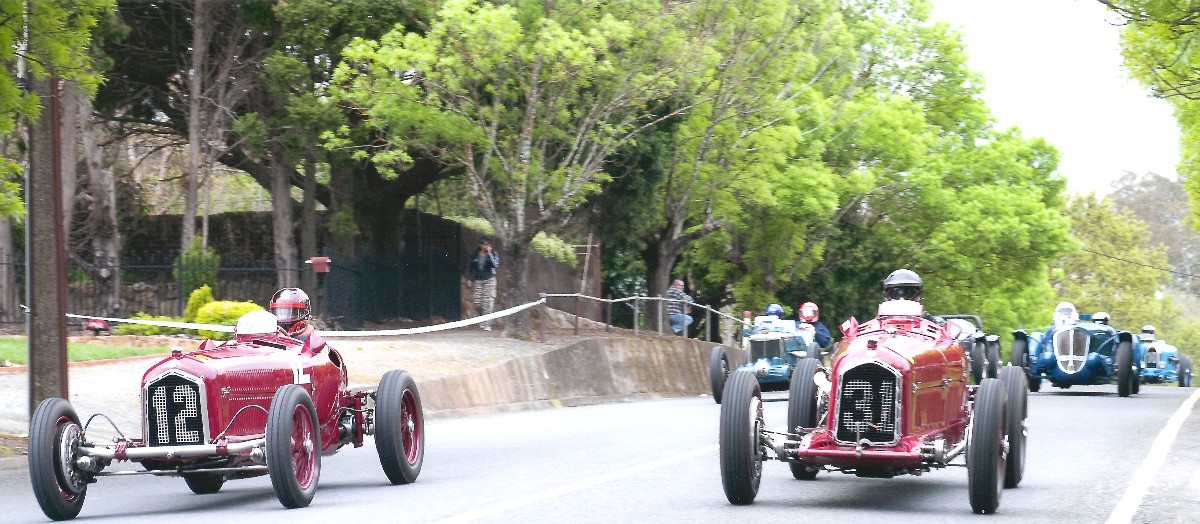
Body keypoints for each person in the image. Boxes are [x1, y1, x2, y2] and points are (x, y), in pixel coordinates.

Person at [466, 238, 500, 331]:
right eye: (484, 244)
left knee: (488, 302)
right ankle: (483, 318)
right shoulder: (475, 254)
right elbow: (470, 266)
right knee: (477, 302)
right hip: (478, 280)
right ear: (480, 245)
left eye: (487, 244)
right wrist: (469, 278)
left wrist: (489, 254)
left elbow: (495, 265)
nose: (486, 246)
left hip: (489, 279)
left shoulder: (494, 254)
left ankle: (487, 324)